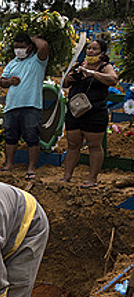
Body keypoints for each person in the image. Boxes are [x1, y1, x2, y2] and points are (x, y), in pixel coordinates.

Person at [62, 39, 118, 188]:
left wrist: (92, 74)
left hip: (95, 111)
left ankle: (92, 178)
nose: (90, 51)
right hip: (75, 110)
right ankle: (67, 176)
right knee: (73, 144)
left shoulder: (105, 67)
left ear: (102, 53)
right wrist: (72, 76)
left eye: (94, 49)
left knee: (94, 145)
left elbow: (113, 80)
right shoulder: (79, 65)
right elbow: (64, 83)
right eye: (88, 48)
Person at [0, 33, 49, 180]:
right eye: (16, 47)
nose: (18, 50)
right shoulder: (12, 63)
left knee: (32, 136)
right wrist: (9, 81)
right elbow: (1, 81)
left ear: (29, 47)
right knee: (10, 136)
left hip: (31, 105)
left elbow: (44, 46)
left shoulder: (37, 61)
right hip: (12, 105)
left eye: (22, 47)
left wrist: (31, 37)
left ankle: (31, 168)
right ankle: (8, 164)